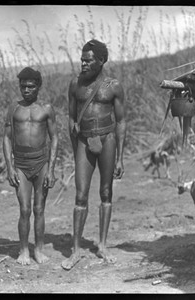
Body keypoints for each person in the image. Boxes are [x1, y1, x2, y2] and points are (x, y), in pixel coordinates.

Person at [61, 39, 127, 270]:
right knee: (80, 195)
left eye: (88, 60)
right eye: (81, 59)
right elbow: (70, 117)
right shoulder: (74, 85)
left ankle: (103, 245)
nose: (83, 64)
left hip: (107, 140)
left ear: (101, 61)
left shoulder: (113, 86)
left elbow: (120, 121)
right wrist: (74, 143)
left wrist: (120, 157)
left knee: (106, 192)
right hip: (83, 142)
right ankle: (76, 250)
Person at [3, 67, 58, 265]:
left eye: (30, 86)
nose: (26, 90)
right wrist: (9, 167)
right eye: (23, 86)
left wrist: (51, 169)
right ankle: (24, 250)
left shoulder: (46, 109)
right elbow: (7, 138)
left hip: (41, 163)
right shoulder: (14, 109)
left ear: (38, 87)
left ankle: (39, 250)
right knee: (24, 209)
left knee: (39, 208)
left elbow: (54, 138)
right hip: (21, 165)